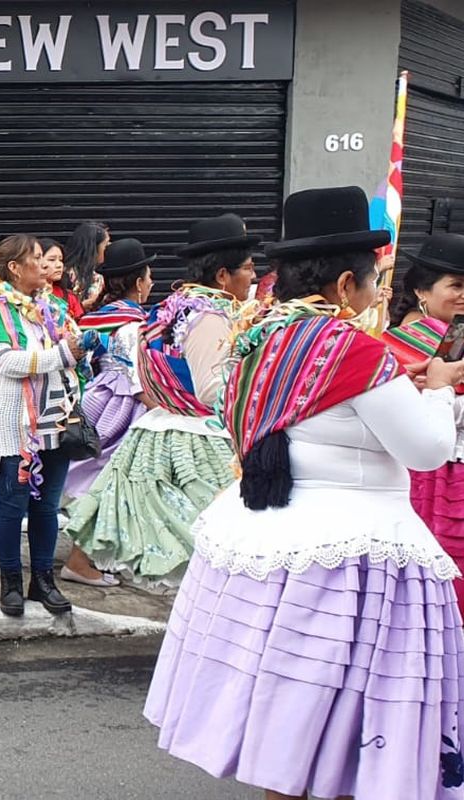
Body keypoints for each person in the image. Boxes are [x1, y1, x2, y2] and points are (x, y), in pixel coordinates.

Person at [145, 186, 464, 800]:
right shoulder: (356, 351)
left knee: (285, 718)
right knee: (345, 726)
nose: (376, 296)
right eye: (373, 283)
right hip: (349, 558)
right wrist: (441, 390)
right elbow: (423, 451)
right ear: (346, 284)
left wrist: (406, 384)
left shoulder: (256, 339)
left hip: (262, 539)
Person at [64, 214, 259, 587]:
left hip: (162, 424)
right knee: (212, 520)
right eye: (247, 268)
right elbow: (210, 388)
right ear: (222, 275)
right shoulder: (209, 317)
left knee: (119, 500)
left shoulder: (177, 305)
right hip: (196, 433)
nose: (252, 277)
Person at [0, 234, 83, 617]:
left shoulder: (48, 307)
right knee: (11, 504)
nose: (47, 265)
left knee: (47, 507)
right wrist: (62, 354)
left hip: (56, 421)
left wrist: (80, 348)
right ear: (15, 269)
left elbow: (68, 353)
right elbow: (4, 362)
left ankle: (43, 581)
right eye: (37, 259)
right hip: (14, 425)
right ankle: (11, 581)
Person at [57, 239, 155, 588]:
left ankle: (97, 556)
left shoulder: (94, 317)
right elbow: (135, 375)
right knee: (116, 481)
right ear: (138, 281)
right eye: (148, 275)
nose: (151, 283)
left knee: (97, 476)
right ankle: (82, 561)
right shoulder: (135, 323)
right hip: (127, 404)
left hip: (96, 397)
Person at [383, 232, 464, 596]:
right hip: (424, 473)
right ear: (422, 291)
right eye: (456, 285)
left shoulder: (457, 336)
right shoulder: (396, 344)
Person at [61, 222, 109, 314]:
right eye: (105, 245)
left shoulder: (99, 276)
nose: (108, 249)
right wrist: (82, 306)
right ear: (93, 248)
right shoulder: (63, 275)